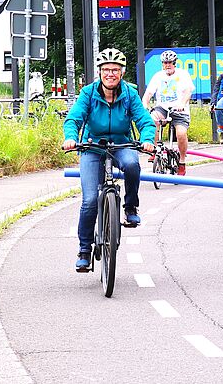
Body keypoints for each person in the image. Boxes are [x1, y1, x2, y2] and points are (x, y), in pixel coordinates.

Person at [62, 48, 156, 272]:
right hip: (93, 147)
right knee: (90, 201)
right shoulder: (88, 93)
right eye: (106, 70)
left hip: (122, 143)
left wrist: (147, 139)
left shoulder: (130, 94)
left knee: (133, 165)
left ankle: (130, 208)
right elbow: (73, 118)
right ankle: (84, 250)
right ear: (99, 72)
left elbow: (144, 120)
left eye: (115, 70)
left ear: (122, 73)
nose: (110, 74)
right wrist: (71, 138)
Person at [142, 50, 195, 176]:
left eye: (170, 63)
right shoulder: (158, 76)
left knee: (181, 133)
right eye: (165, 63)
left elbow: (188, 91)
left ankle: (181, 162)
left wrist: (182, 104)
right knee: (152, 119)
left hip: (179, 109)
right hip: (163, 108)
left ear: (175, 63)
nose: (167, 65)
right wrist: (144, 104)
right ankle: (155, 150)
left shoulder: (183, 75)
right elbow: (148, 93)